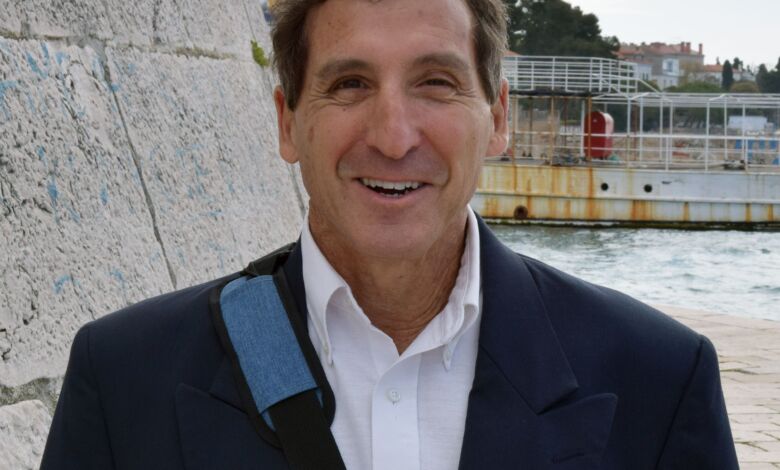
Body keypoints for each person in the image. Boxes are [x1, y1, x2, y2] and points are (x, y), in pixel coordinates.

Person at [41, 0, 738, 468]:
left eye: (436, 82)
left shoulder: (660, 380)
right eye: (349, 84)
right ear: (288, 122)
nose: (394, 137)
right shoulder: (124, 380)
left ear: (497, 118)